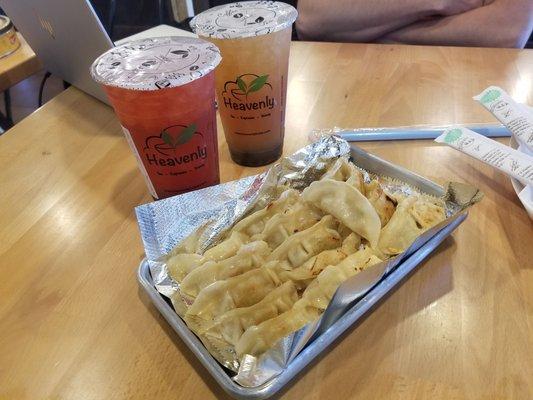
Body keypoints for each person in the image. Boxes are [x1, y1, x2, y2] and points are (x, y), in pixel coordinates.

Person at [296, 0, 533, 48]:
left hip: (476, 89)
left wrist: (369, 29)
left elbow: (507, 31)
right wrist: (435, 3)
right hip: (356, 79)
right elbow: (312, 18)